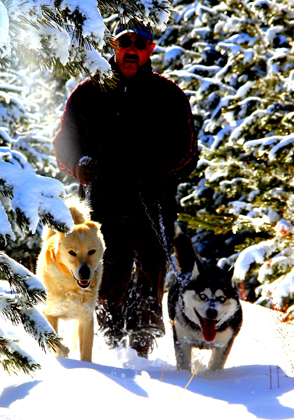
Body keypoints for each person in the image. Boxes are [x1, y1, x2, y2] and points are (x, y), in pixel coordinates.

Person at [53, 19, 198, 357]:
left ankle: (142, 348)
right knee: (108, 272)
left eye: (140, 44)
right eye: (124, 43)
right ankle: (110, 348)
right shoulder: (88, 93)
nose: (131, 50)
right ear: (114, 48)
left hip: (154, 200)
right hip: (103, 204)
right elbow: (63, 143)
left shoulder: (169, 96)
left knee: (152, 271)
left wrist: (159, 172)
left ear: (150, 50)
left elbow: (188, 151)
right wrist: (78, 166)